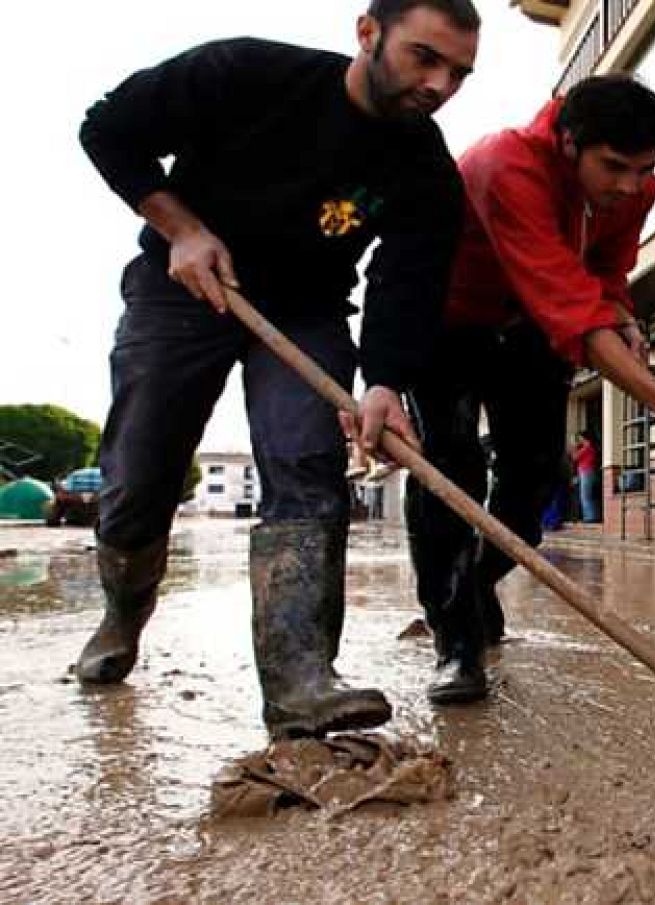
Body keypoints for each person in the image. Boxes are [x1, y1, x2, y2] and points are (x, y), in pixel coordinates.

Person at [74, 0, 480, 739]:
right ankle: (121, 614)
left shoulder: (423, 166)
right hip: (184, 287)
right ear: (368, 33)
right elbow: (108, 129)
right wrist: (183, 229)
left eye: (458, 72)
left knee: (307, 465)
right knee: (139, 474)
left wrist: (383, 384)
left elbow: (406, 283)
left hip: (304, 313)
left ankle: (300, 678)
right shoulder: (247, 72)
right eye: (425, 57)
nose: (440, 83)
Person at [405, 75, 655, 704]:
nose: (630, 186)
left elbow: (605, 272)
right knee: (450, 468)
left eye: (645, 170)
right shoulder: (506, 165)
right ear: (569, 143)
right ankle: (456, 640)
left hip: (528, 334)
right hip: (448, 321)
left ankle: (469, 583)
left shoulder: (637, 185)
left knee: (535, 481)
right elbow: (571, 308)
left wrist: (624, 312)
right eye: (615, 167)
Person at [572, 431, 601, 523]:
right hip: (589, 472)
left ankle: (590, 517)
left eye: (580, 438)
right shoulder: (590, 448)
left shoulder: (587, 448)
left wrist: (574, 447)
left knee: (585, 496)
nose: (579, 440)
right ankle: (594, 515)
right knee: (590, 495)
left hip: (586, 472)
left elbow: (575, 457)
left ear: (584, 438)